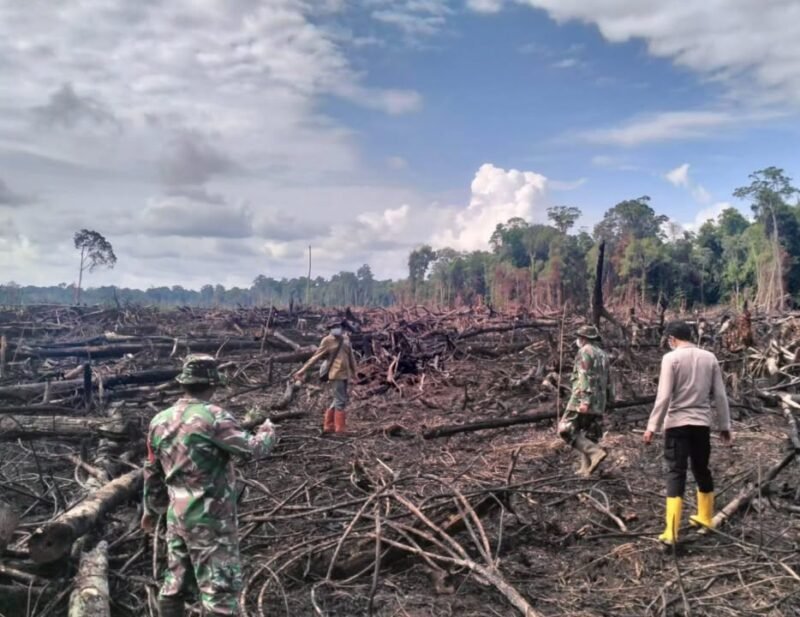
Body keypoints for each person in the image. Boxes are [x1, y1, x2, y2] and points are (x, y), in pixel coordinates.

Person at [142, 354, 277, 617]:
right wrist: (268, 431)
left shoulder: (159, 420)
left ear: (184, 384)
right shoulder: (213, 417)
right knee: (219, 592)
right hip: (210, 519)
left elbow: (152, 469)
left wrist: (151, 508)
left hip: (177, 515)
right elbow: (253, 449)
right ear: (213, 385)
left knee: (174, 583)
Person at [644, 320, 732, 546]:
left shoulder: (670, 359)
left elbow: (663, 397)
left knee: (676, 472)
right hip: (702, 424)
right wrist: (725, 425)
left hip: (677, 424)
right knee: (702, 468)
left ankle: (671, 531)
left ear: (672, 339)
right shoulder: (709, 357)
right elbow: (720, 396)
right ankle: (705, 518)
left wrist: (652, 426)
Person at [558, 325, 613, 476]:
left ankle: (595, 453)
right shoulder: (603, 354)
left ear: (583, 338)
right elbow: (609, 379)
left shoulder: (584, 352)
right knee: (589, 432)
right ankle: (586, 470)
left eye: (579, 337)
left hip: (583, 398)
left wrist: (584, 400)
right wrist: (609, 399)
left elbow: (584, 375)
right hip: (600, 400)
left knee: (565, 429)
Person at [294, 319, 358, 434]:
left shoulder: (346, 339)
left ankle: (328, 425)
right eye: (333, 326)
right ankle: (340, 429)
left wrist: (355, 373)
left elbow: (351, 357)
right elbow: (315, 357)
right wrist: (302, 371)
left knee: (338, 399)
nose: (336, 328)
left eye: (338, 326)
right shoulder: (327, 341)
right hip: (335, 373)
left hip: (345, 374)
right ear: (329, 329)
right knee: (341, 400)